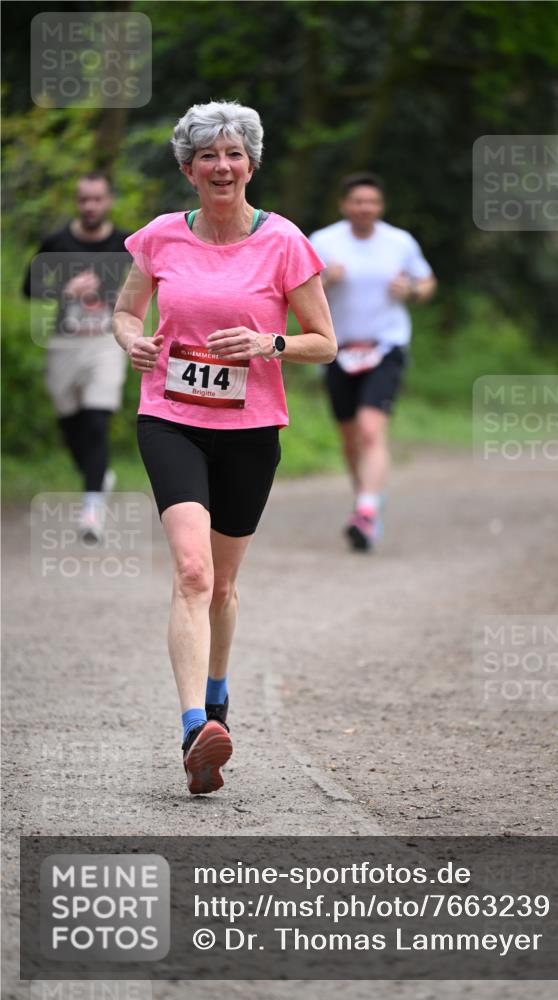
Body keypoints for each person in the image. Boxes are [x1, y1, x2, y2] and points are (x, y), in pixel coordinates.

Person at [112, 100, 336, 795]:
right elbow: (124, 311)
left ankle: (216, 700)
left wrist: (269, 342)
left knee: (225, 585)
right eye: (206, 155)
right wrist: (133, 342)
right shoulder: (158, 238)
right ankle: (190, 729)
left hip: (249, 430)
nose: (221, 165)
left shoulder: (284, 243)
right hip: (171, 418)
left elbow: (324, 342)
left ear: (251, 165)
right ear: (187, 167)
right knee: (192, 572)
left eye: (233, 154)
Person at [310, 173, 436, 552]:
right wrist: (324, 280)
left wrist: (411, 290)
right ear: (344, 205)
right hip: (337, 348)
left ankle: (364, 510)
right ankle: (366, 501)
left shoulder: (399, 242)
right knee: (350, 438)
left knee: (369, 428)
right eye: (358, 201)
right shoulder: (323, 241)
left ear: (380, 207)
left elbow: (428, 282)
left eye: (372, 202)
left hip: (386, 345)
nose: (365, 208)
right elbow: (298, 287)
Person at [23, 172, 130, 542]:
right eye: (83, 199)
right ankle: (97, 474)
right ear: (76, 201)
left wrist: (126, 304)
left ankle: (91, 512)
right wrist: (61, 288)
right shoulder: (57, 241)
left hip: (105, 342)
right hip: (65, 343)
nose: (90, 206)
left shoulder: (125, 243)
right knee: (71, 425)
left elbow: (151, 281)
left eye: (97, 199)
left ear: (108, 201)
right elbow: (28, 286)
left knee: (97, 421)